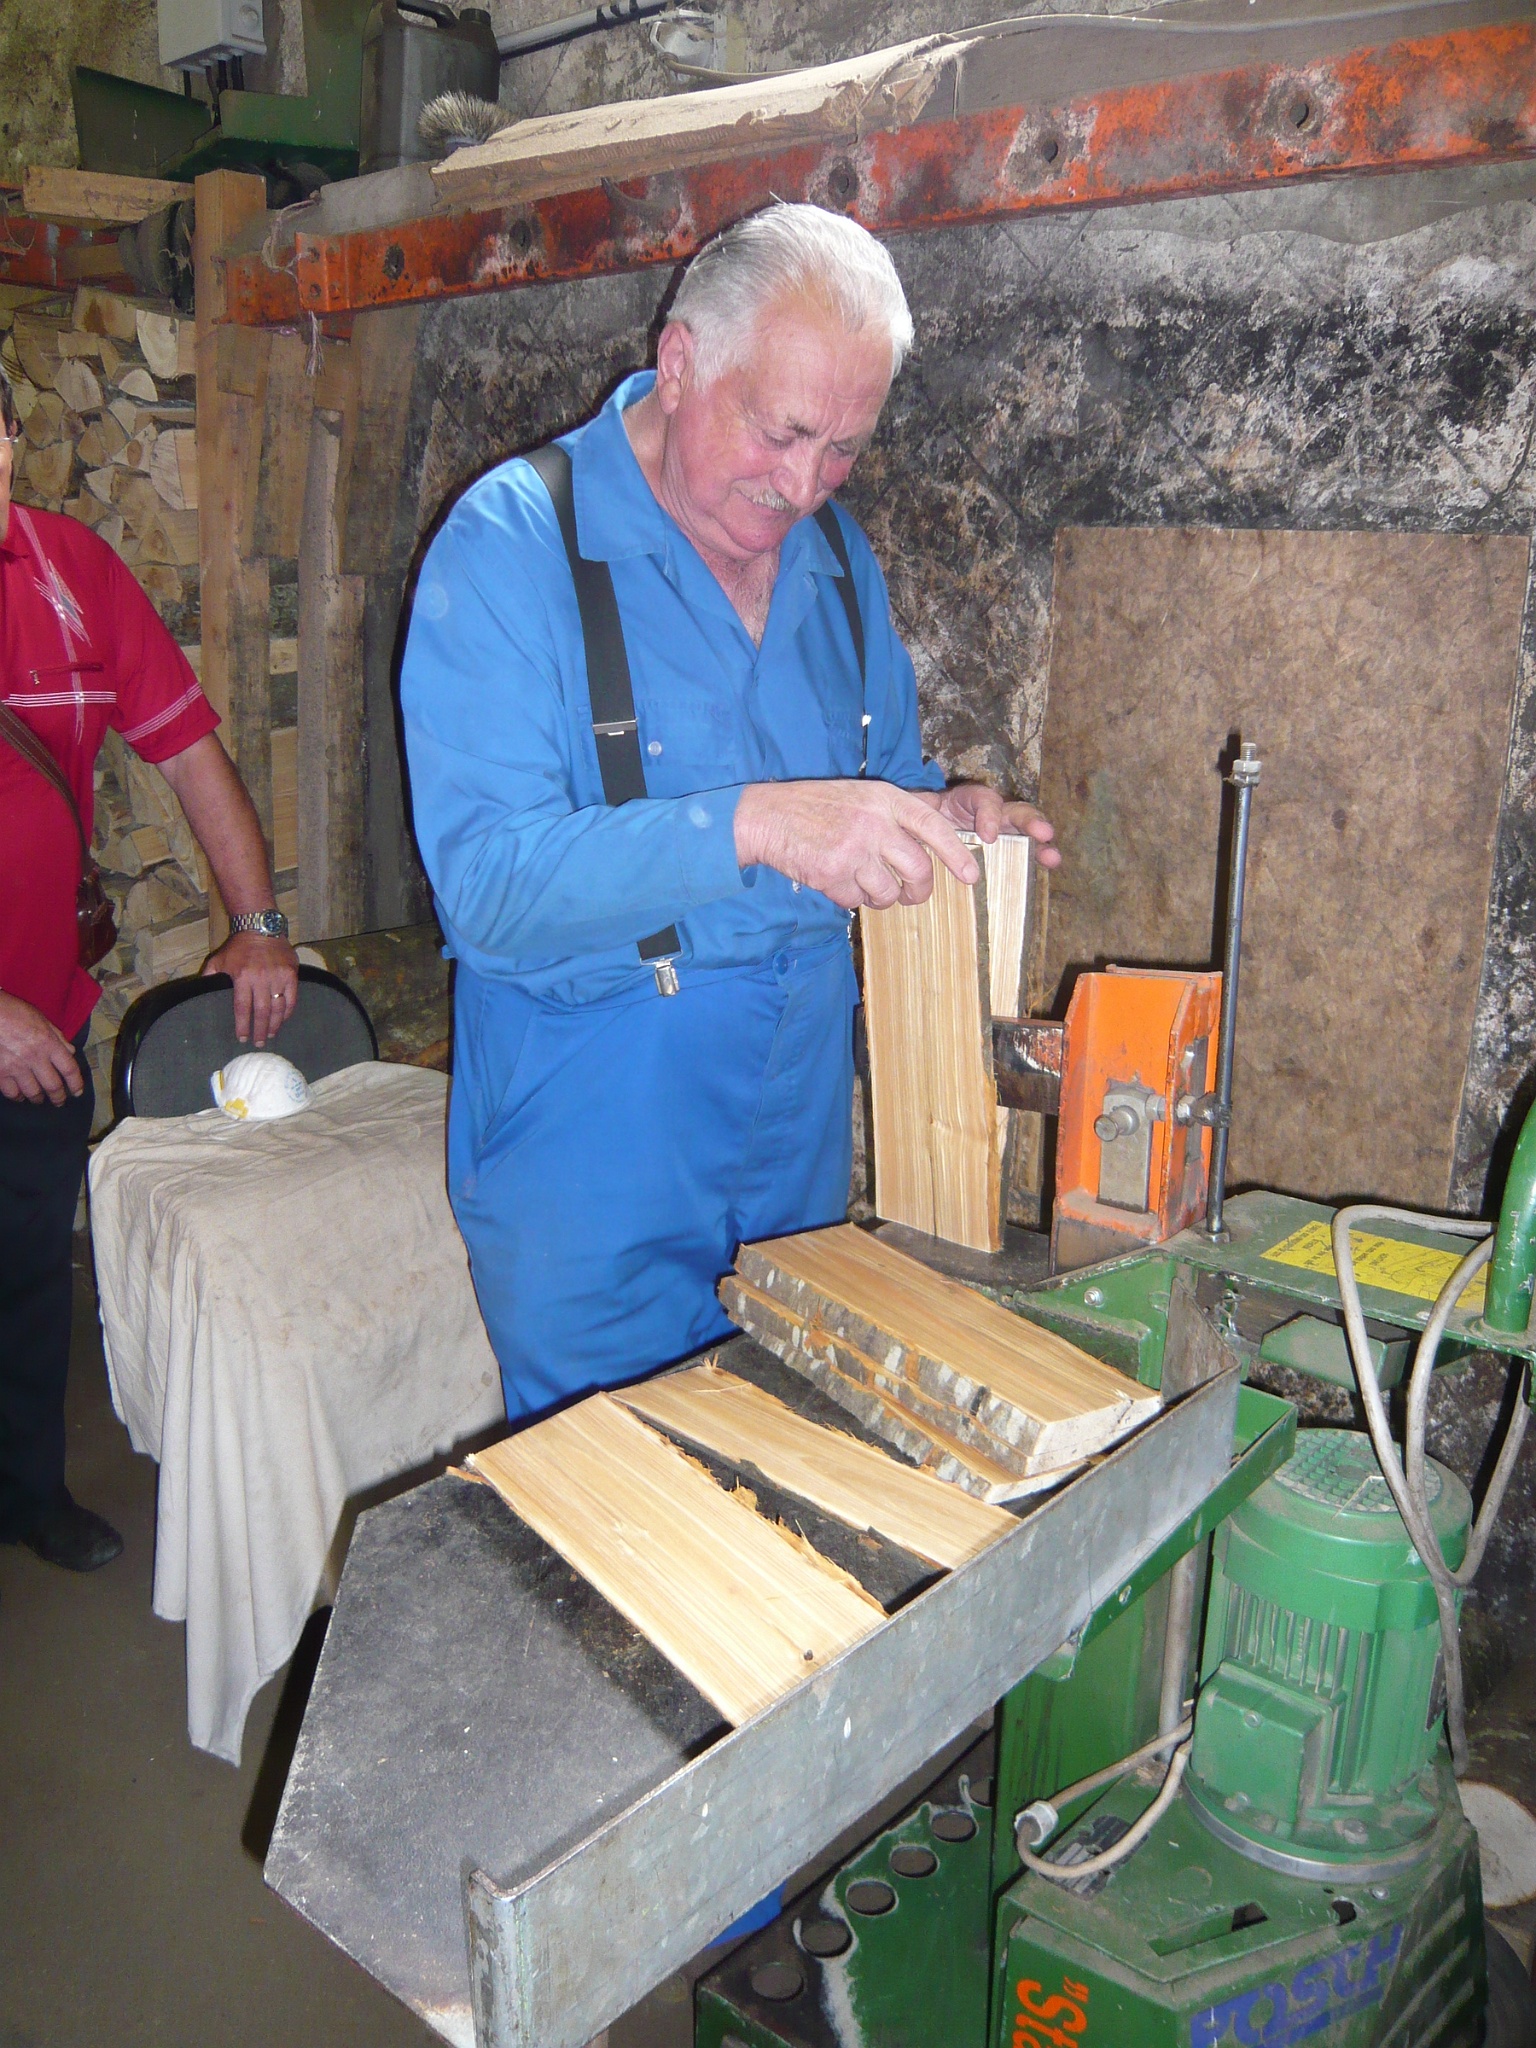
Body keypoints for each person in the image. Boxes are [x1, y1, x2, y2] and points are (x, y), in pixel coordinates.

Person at [402, 202, 1059, 1424]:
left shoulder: (837, 564)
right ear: (681, 362)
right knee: (617, 1511)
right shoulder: (511, 548)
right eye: (782, 431)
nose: (804, 484)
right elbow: (486, 889)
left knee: (777, 1475)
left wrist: (946, 817)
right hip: (594, 1165)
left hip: (793, 1158)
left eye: (844, 448)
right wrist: (754, 824)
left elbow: (882, 777)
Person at [0, 367, 299, 1574]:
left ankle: (25, 1491)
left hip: (44, 1027)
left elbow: (188, 753)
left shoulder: (69, 570)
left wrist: (260, 920)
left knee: (27, 1269)